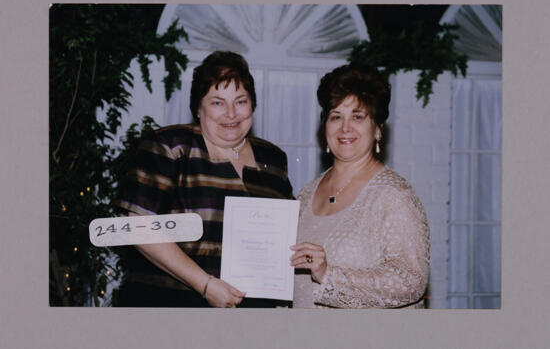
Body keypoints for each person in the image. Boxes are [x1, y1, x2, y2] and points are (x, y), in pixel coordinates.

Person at [115, 51, 293, 307]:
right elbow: (137, 226)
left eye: (240, 101)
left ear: (253, 105)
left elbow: (282, 236)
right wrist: (205, 284)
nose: (231, 114)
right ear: (198, 108)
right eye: (217, 102)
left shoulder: (273, 159)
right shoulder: (170, 147)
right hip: (169, 306)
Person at [290, 63, 430, 308]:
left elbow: (411, 282)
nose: (345, 128)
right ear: (325, 128)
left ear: (377, 128)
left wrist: (329, 275)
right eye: (336, 117)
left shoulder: (394, 196)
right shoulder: (306, 193)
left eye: (357, 116)